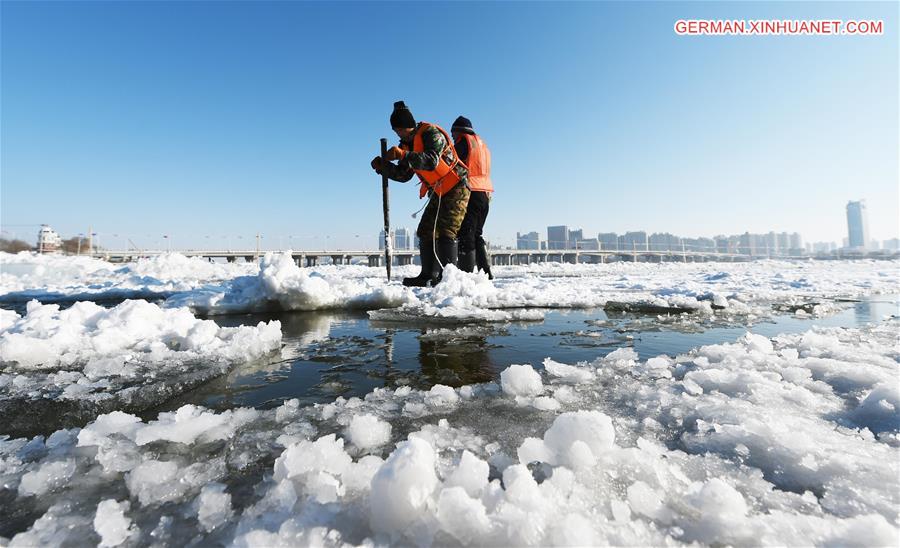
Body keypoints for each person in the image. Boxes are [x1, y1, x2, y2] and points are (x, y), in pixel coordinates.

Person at [370, 101, 470, 287]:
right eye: (396, 131)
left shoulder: (431, 133)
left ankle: (450, 280)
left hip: (457, 187)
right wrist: (384, 168)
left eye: (400, 130)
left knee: (446, 231)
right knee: (425, 230)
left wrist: (402, 155)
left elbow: (432, 161)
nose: (398, 134)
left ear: (409, 126)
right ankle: (427, 275)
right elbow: (403, 175)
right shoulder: (406, 145)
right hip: (439, 191)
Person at [451, 116, 494, 279]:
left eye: (453, 132)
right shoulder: (482, 145)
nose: (452, 136)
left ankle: (466, 277)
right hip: (485, 193)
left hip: (471, 191)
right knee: (476, 234)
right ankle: (486, 274)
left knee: (466, 235)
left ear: (459, 131)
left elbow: (453, 165)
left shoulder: (463, 143)